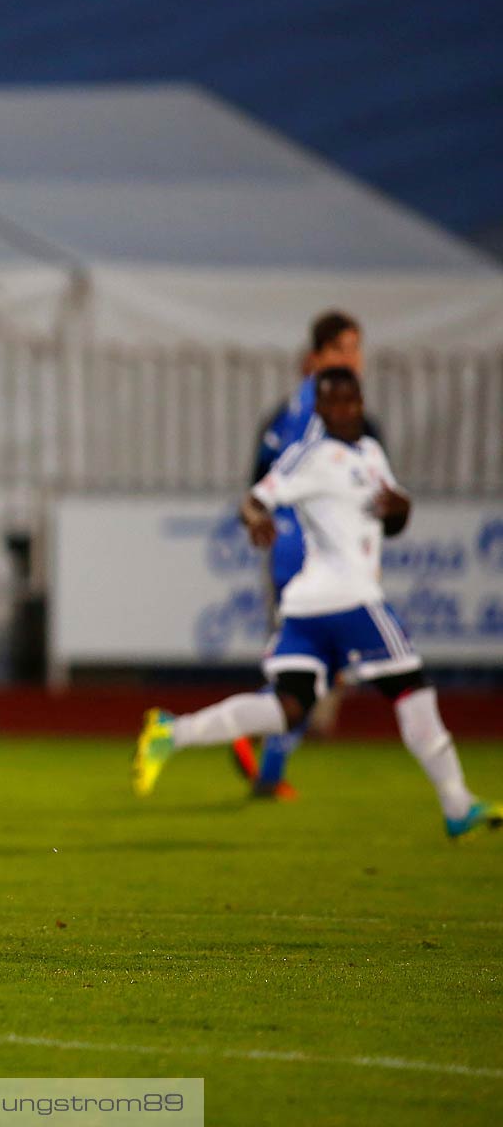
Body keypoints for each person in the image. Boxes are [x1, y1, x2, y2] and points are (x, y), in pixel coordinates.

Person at [134, 368, 497, 840]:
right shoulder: (311, 455)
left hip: (309, 605)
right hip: (350, 597)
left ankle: (171, 732)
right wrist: (255, 520)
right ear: (320, 409)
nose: (344, 411)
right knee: (413, 689)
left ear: (361, 402)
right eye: (333, 403)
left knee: (288, 707)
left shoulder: (370, 454)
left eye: (351, 401)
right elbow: (255, 497)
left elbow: (391, 519)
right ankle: (456, 804)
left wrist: (401, 508)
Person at [231, 311, 379, 798]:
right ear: (315, 358)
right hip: (313, 555)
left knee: (313, 667)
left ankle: (266, 766)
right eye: (340, 349)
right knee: (321, 667)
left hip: (312, 553)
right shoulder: (332, 416)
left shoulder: (292, 413)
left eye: (354, 348)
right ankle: (247, 730)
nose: (350, 358)